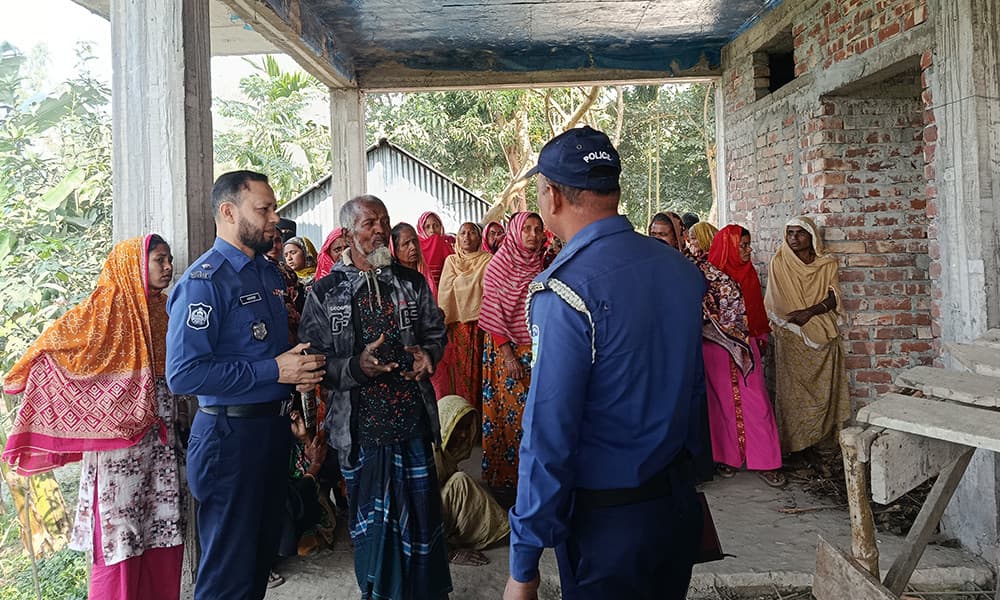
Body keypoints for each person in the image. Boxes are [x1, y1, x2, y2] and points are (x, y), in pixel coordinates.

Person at [505, 126, 706, 600]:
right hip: (674, 508)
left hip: (608, 525)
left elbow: (548, 433)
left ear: (552, 196)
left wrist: (524, 563)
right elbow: (695, 390)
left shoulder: (566, 292)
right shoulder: (679, 270)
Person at [166, 170, 326, 600]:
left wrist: (299, 374)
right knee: (227, 576)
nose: (275, 218)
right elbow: (183, 374)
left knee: (257, 565)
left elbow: (273, 356)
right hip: (229, 440)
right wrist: (274, 372)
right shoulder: (205, 282)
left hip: (271, 434)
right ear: (228, 211)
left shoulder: (268, 275)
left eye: (273, 207)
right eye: (264, 209)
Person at [3, 235, 186, 600]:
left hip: (161, 446)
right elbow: (46, 353)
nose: (169, 268)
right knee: (120, 541)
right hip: (118, 454)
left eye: (168, 260)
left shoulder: (167, 311)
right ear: (133, 264)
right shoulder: (98, 313)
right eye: (160, 260)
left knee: (163, 530)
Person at [297, 195, 453, 600]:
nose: (380, 229)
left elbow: (437, 334)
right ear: (349, 233)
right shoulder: (324, 291)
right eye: (369, 223)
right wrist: (355, 368)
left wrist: (428, 356)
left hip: (413, 425)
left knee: (421, 521)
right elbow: (312, 361)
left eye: (384, 221)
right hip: (360, 432)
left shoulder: (411, 282)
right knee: (375, 529)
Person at [706, 225, 785, 487]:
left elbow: (757, 312)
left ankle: (767, 461)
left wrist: (760, 337)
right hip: (716, 347)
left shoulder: (748, 274)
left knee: (756, 402)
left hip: (747, 346)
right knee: (721, 405)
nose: (749, 250)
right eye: (744, 245)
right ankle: (727, 458)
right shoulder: (710, 277)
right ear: (729, 246)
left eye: (749, 245)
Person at [765, 216, 850, 457]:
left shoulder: (826, 263)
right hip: (792, 336)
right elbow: (777, 303)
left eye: (799, 233)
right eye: (789, 233)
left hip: (822, 332)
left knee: (825, 391)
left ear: (811, 236)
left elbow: (834, 297)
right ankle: (796, 448)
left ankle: (824, 445)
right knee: (794, 396)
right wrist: (796, 319)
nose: (793, 238)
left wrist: (810, 312)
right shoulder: (779, 262)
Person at [478, 211, 546, 494]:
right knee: (511, 417)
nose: (532, 235)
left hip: (534, 346)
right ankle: (508, 482)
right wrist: (508, 355)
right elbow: (493, 312)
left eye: (537, 229)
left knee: (535, 417)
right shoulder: (498, 265)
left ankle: (534, 481)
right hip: (506, 349)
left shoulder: (542, 263)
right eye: (526, 229)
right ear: (516, 232)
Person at [434, 395, 510, 566]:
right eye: (458, 427)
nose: (463, 435)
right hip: (418, 529)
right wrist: (448, 553)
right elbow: (417, 508)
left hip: (432, 517)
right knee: (461, 483)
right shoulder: (430, 453)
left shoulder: (444, 453)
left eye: (467, 427)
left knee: (459, 480)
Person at [434, 222, 492, 408]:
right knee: (460, 373)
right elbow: (445, 292)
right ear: (457, 238)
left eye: (472, 232)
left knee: (481, 372)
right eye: (462, 233)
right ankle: (464, 414)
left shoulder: (488, 259)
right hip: (457, 327)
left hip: (483, 325)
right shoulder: (451, 260)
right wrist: (471, 282)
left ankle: (480, 414)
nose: (467, 237)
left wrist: (460, 283)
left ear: (480, 237)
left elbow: (488, 289)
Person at [417, 211, 455, 299]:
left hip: (445, 293)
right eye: (427, 227)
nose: (432, 230)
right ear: (421, 228)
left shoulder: (446, 244)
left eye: (436, 226)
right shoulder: (416, 246)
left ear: (441, 227)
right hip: (422, 293)